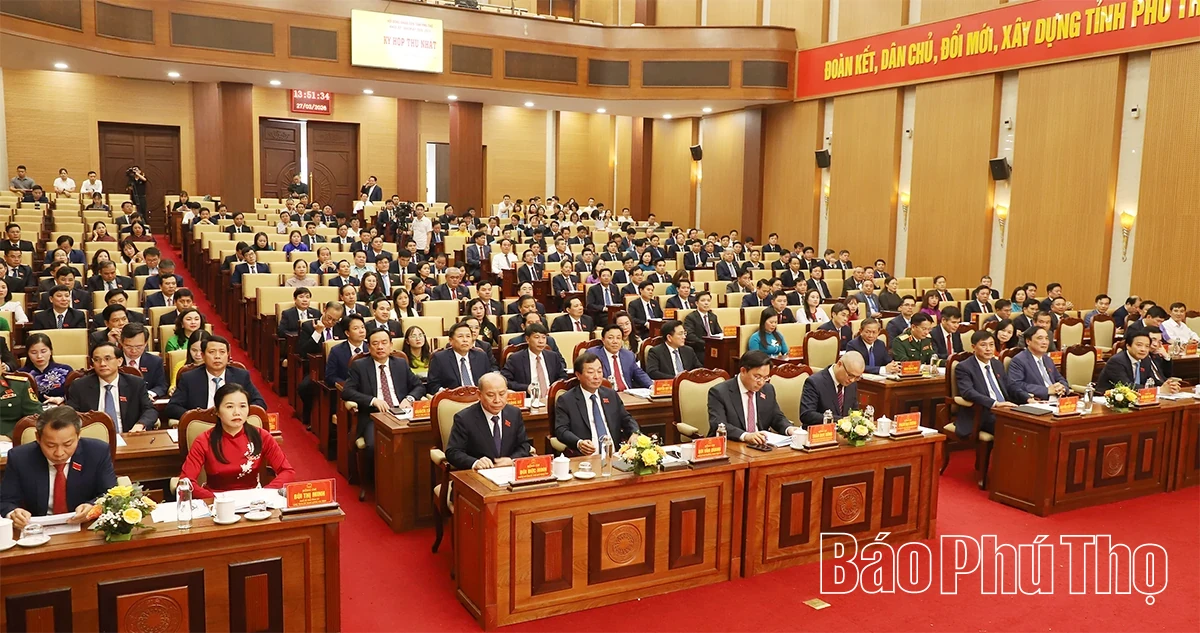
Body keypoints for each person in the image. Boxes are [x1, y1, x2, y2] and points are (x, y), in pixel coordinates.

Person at [1, 406, 115, 531]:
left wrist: (93, 506)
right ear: (38, 438)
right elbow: (6, 501)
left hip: (85, 528)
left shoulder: (97, 452)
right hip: (36, 531)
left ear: (78, 436)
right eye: (51, 445)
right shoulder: (20, 458)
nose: (59, 453)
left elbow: (109, 493)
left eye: (67, 444)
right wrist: (13, 512)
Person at [179, 383, 295, 500]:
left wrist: (265, 494)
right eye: (229, 407)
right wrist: (214, 499)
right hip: (217, 502)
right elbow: (185, 482)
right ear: (217, 411)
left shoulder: (261, 436)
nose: (237, 412)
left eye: (242, 406)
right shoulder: (203, 440)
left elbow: (287, 472)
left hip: (254, 501)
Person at [342, 328, 424, 450]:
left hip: (402, 412)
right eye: (375, 344)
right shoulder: (359, 366)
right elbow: (347, 392)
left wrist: (409, 399)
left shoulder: (400, 363)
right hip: (374, 415)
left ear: (391, 345)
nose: (380, 347)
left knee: (420, 441)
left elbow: (419, 386)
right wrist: (373, 400)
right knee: (374, 446)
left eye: (384, 343)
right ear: (369, 347)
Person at [553, 352, 640, 455]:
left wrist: (635, 433)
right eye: (591, 372)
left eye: (599, 371)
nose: (597, 376)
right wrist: (578, 443)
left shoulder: (610, 395)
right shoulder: (567, 400)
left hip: (615, 455)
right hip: (586, 458)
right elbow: (561, 430)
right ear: (578, 375)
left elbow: (627, 419)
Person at [707, 351, 803, 444]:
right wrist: (746, 436)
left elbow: (776, 417)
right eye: (757, 377)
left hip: (760, 446)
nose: (761, 382)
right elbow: (719, 424)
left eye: (765, 378)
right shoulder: (719, 392)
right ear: (743, 371)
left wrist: (789, 428)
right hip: (731, 445)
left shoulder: (768, 389)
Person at [165, 336, 265, 421]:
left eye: (222, 352)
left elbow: (260, 403)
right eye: (212, 352)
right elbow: (172, 408)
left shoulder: (241, 376)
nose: (217, 356)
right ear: (203, 356)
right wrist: (198, 417)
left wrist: (237, 413)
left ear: (228, 355)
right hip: (202, 426)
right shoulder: (189, 378)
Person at [445, 372, 531, 470]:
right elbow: (453, 452)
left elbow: (524, 445)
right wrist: (475, 462)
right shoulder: (464, 418)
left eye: (502, 394)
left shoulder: (514, 413)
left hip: (508, 472)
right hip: (478, 475)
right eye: (491, 395)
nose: (497, 400)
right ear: (479, 395)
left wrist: (512, 459)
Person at [65, 342, 158, 432]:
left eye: (107, 358)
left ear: (119, 361)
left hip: (129, 435)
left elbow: (150, 410)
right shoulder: (80, 386)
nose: (102, 364)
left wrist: (140, 425)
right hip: (93, 439)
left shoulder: (135, 384)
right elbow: (70, 414)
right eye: (97, 360)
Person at [953, 330, 1016, 440]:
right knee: (1009, 429)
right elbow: (968, 392)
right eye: (983, 345)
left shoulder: (997, 364)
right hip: (983, 412)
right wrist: (995, 404)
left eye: (991, 345)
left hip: (1005, 409)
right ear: (973, 347)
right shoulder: (964, 367)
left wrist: (1028, 398)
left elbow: (1009, 387)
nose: (988, 349)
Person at [799, 351, 864, 427]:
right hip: (820, 433)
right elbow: (807, 414)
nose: (852, 380)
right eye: (850, 375)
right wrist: (841, 420)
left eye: (857, 377)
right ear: (840, 364)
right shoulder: (814, 382)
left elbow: (854, 411)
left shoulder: (852, 384)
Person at [427, 321, 495, 394]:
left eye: (468, 336)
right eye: (460, 336)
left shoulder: (481, 356)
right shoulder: (440, 358)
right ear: (450, 341)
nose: (465, 340)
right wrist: (445, 393)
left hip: (478, 397)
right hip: (453, 400)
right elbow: (433, 385)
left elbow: (488, 380)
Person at [501, 324, 568, 394]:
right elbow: (505, 380)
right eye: (537, 337)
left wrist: (554, 388)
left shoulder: (553, 356)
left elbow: (563, 376)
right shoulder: (516, 358)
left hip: (550, 397)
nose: (541, 341)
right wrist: (526, 387)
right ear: (527, 339)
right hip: (528, 398)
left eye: (544, 337)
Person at [1007, 326, 1070, 401]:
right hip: (1038, 400)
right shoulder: (1019, 360)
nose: (1045, 342)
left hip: (1058, 398)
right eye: (1040, 338)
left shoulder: (1047, 359)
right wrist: (1047, 390)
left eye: (1046, 338)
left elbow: (1060, 378)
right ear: (1028, 341)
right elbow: (1016, 385)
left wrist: (1062, 387)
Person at [595, 324, 652, 391]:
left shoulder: (628, 355)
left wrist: (651, 385)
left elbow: (639, 374)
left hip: (627, 393)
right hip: (607, 394)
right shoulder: (595, 355)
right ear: (603, 340)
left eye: (618, 338)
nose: (615, 341)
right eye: (610, 338)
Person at [1096, 327, 1155, 391]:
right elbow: (1126, 385)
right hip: (1108, 397)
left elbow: (1152, 380)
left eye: (1147, 346)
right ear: (1128, 346)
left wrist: (1164, 386)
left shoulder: (1145, 360)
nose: (1143, 349)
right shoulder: (1116, 361)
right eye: (1139, 345)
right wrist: (1153, 389)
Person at [20, 333, 69, 406]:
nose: (39, 356)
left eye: (43, 351)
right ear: (27, 354)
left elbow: (75, 395)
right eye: (34, 352)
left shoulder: (65, 370)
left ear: (50, 351)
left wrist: (63, 399)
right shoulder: (21, 374)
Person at [121, 323, 168, 399]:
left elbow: (161, 386)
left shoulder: (155, 361)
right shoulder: (113, 360)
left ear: (145, 344)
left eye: (138, 347)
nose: (133, 351)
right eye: (128, 346)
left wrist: (148, 394)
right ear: (122, 342)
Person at [170, 330, 210, 395]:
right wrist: (172, 390)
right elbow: (173, 385)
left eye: (202, 351)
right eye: (194, 350)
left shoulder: (213, 366)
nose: (198, 354)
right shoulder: (181, 366)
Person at [682, 291, 720, 357]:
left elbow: (719, 332)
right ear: (697, 303)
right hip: (698, 349)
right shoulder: (691, 317)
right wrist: (706, 344)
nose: (706, 303)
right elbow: (690, 335)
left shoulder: (713, 317)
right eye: (703, 300)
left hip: (713, 348)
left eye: (708, 301)